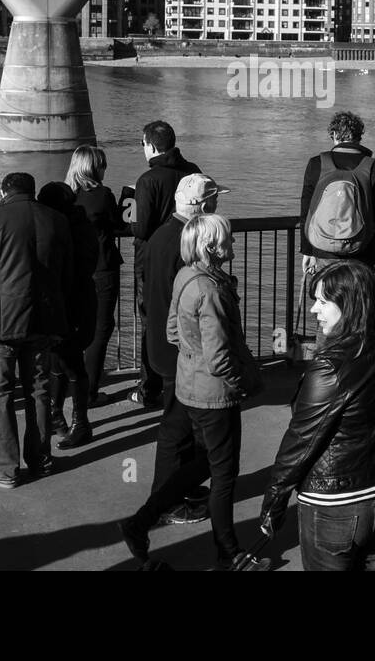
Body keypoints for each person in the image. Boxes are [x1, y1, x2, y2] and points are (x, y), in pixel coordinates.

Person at [259, 260, 375, 570]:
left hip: (334, 505)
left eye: (322, 301)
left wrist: (274, 503)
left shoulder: (330, 366)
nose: (314, 310)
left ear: (348, 304)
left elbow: (301, 442)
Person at [119, 213, 268, 571]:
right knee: (224, 475)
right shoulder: (212, 290)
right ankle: (228, 554)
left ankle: (142, 520)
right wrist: (246, 382)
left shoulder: (187, 276)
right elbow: (219, 358)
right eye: (227, 239)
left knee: (204, 463)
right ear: (212, 247)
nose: (232, 243)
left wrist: (192, 356)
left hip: (190, 386)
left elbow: (172, 331)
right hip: (215, 394)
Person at [0, 172, 73, 488]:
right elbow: (68, 274)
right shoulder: (56, 220)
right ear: (33, 191)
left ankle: (6, 468)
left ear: (3, 191)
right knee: (38, 389)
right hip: (43, 320)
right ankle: (41, 460)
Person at [132, 174, 230, 529]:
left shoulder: (161, 235)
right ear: (203, 207)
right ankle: (166, 500)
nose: (219, 205)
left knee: (181, 425)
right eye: (215, 200)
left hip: (160, 342)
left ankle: (180, 491)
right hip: (179, 352)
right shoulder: (186, 245)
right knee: (176, 428)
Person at [127, 121, 200, 408]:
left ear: (152, 146)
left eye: (143, 144)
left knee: (151, 320)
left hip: (151, 261)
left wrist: (129, 203)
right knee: (186, 317)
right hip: (188, 255)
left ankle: (149, 387)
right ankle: (185, 377)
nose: (142, 149)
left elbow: (141, 228)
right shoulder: (192, 170)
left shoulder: (148, 180)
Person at [299, 112, 375, 297]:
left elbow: (306, 209)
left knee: (327, 300)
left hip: (323, 250)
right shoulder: (374, 167)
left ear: (333, 135)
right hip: (362, 251)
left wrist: (307, 250)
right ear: (359, 137)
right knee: (357, 305)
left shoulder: (317, 163)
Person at [37, 180, 98, 448]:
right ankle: (60, 417)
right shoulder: (81, 225)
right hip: (79, 301)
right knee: (60, 361)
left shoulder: (59, 228)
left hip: (67, 305)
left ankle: (79, 422)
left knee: (69, 362)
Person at [66, 146, 124, 406]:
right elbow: (118, 224)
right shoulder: (102, 195)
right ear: (93, 167)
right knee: (101, 328)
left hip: (72, 270)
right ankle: (89, 391)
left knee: (74, 327)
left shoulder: (64, 196)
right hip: (102, 269)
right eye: (102, 164)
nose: (105, 169)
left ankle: (68, 385)